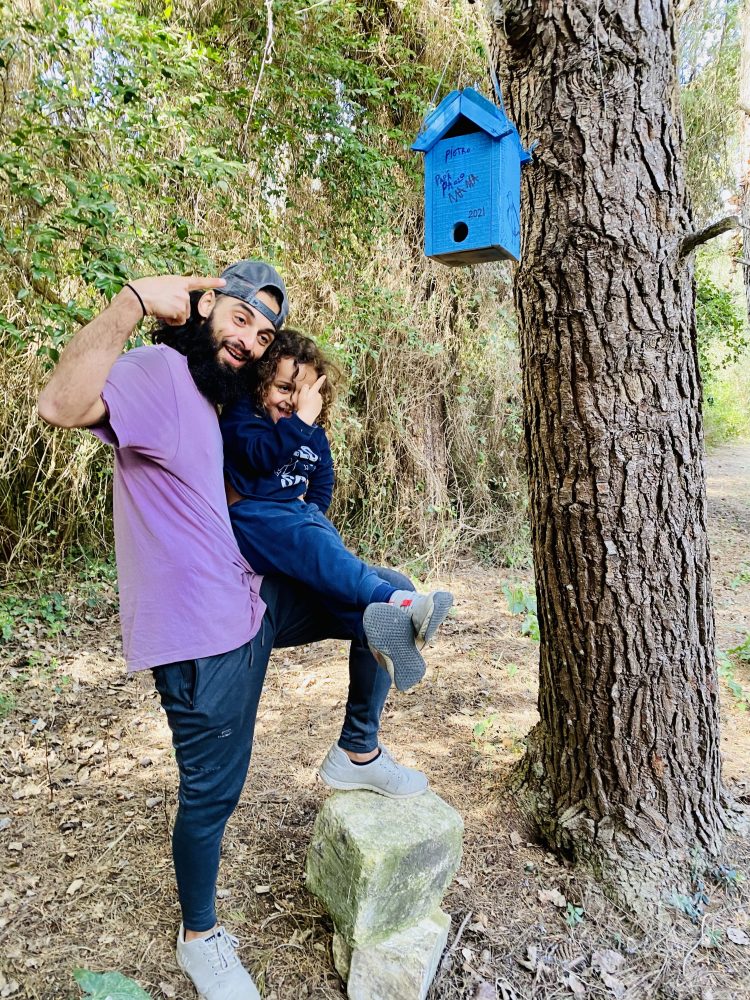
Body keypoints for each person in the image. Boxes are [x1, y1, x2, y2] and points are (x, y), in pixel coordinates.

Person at [37, 261, 433, 1000]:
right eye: (242, 316)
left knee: (384, 603)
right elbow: (61, 404)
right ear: (206, 303)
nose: (252, 338)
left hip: (251, 598)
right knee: (213, 794)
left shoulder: (220, 398)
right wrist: (132, 303)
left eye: (266, 331)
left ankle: (358, 747)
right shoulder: (157, 371)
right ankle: (200, 936)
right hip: (202, 634)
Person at [221, 328, 453, 692]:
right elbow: (260, 456)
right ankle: (399, 601)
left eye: (305, 396)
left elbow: (323, 477)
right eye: (284, 388)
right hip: (254, 518)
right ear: (260, 382)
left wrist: (313, 514)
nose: (293, 403)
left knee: (329, 567)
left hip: (294, 518)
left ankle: (381, 633)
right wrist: (300, 423)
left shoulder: (312, 433)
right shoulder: (244, 417)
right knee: (318, 550)